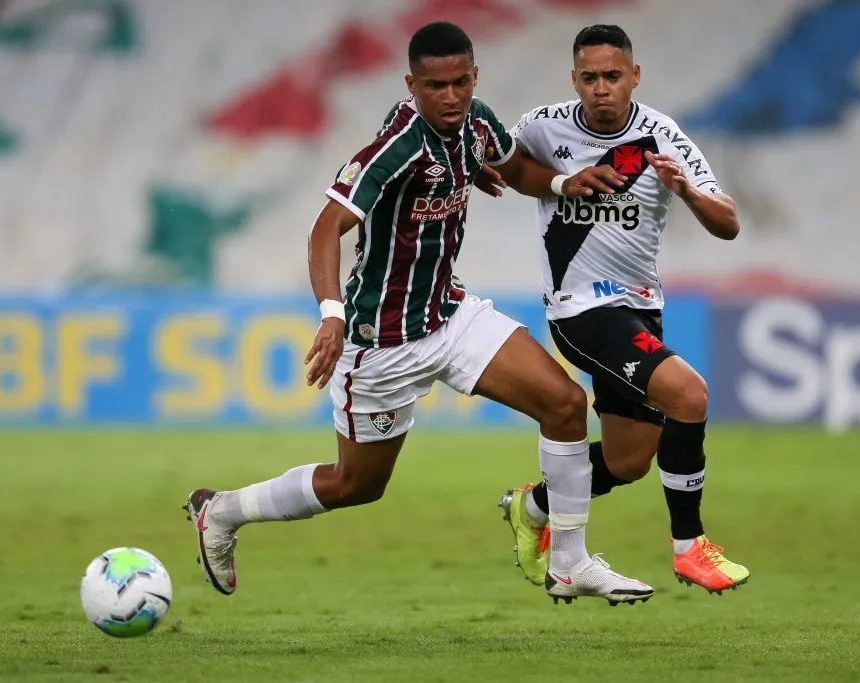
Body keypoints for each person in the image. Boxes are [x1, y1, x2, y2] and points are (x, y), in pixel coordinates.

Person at [182, 21, 654, 606]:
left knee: (563, 404)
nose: (451, 97)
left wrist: (561, 182)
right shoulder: (397, 147)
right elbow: (326, 227)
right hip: (380, 341)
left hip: (449, 315)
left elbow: (514, 168)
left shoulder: (475, 123)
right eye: (435, 86)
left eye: (460, 83)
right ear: (412, 85)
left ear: (475, 76)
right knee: (356, 484)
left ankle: (569, 562)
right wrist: (330, 314)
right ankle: (223, 511)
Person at [496, 24, 749, 595]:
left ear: (634, 76)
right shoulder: (542, 126)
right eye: (590, 77)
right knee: (689, 396)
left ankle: (532, 507)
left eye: (612, 76)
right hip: (580, 310)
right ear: (574, 79)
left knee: (629, 460)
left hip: (639, 308)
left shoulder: (662, 135)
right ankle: (689, 548)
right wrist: (558, 182)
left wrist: (686, 192)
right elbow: (502, 165)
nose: (601, 88)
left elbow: (729, 222)